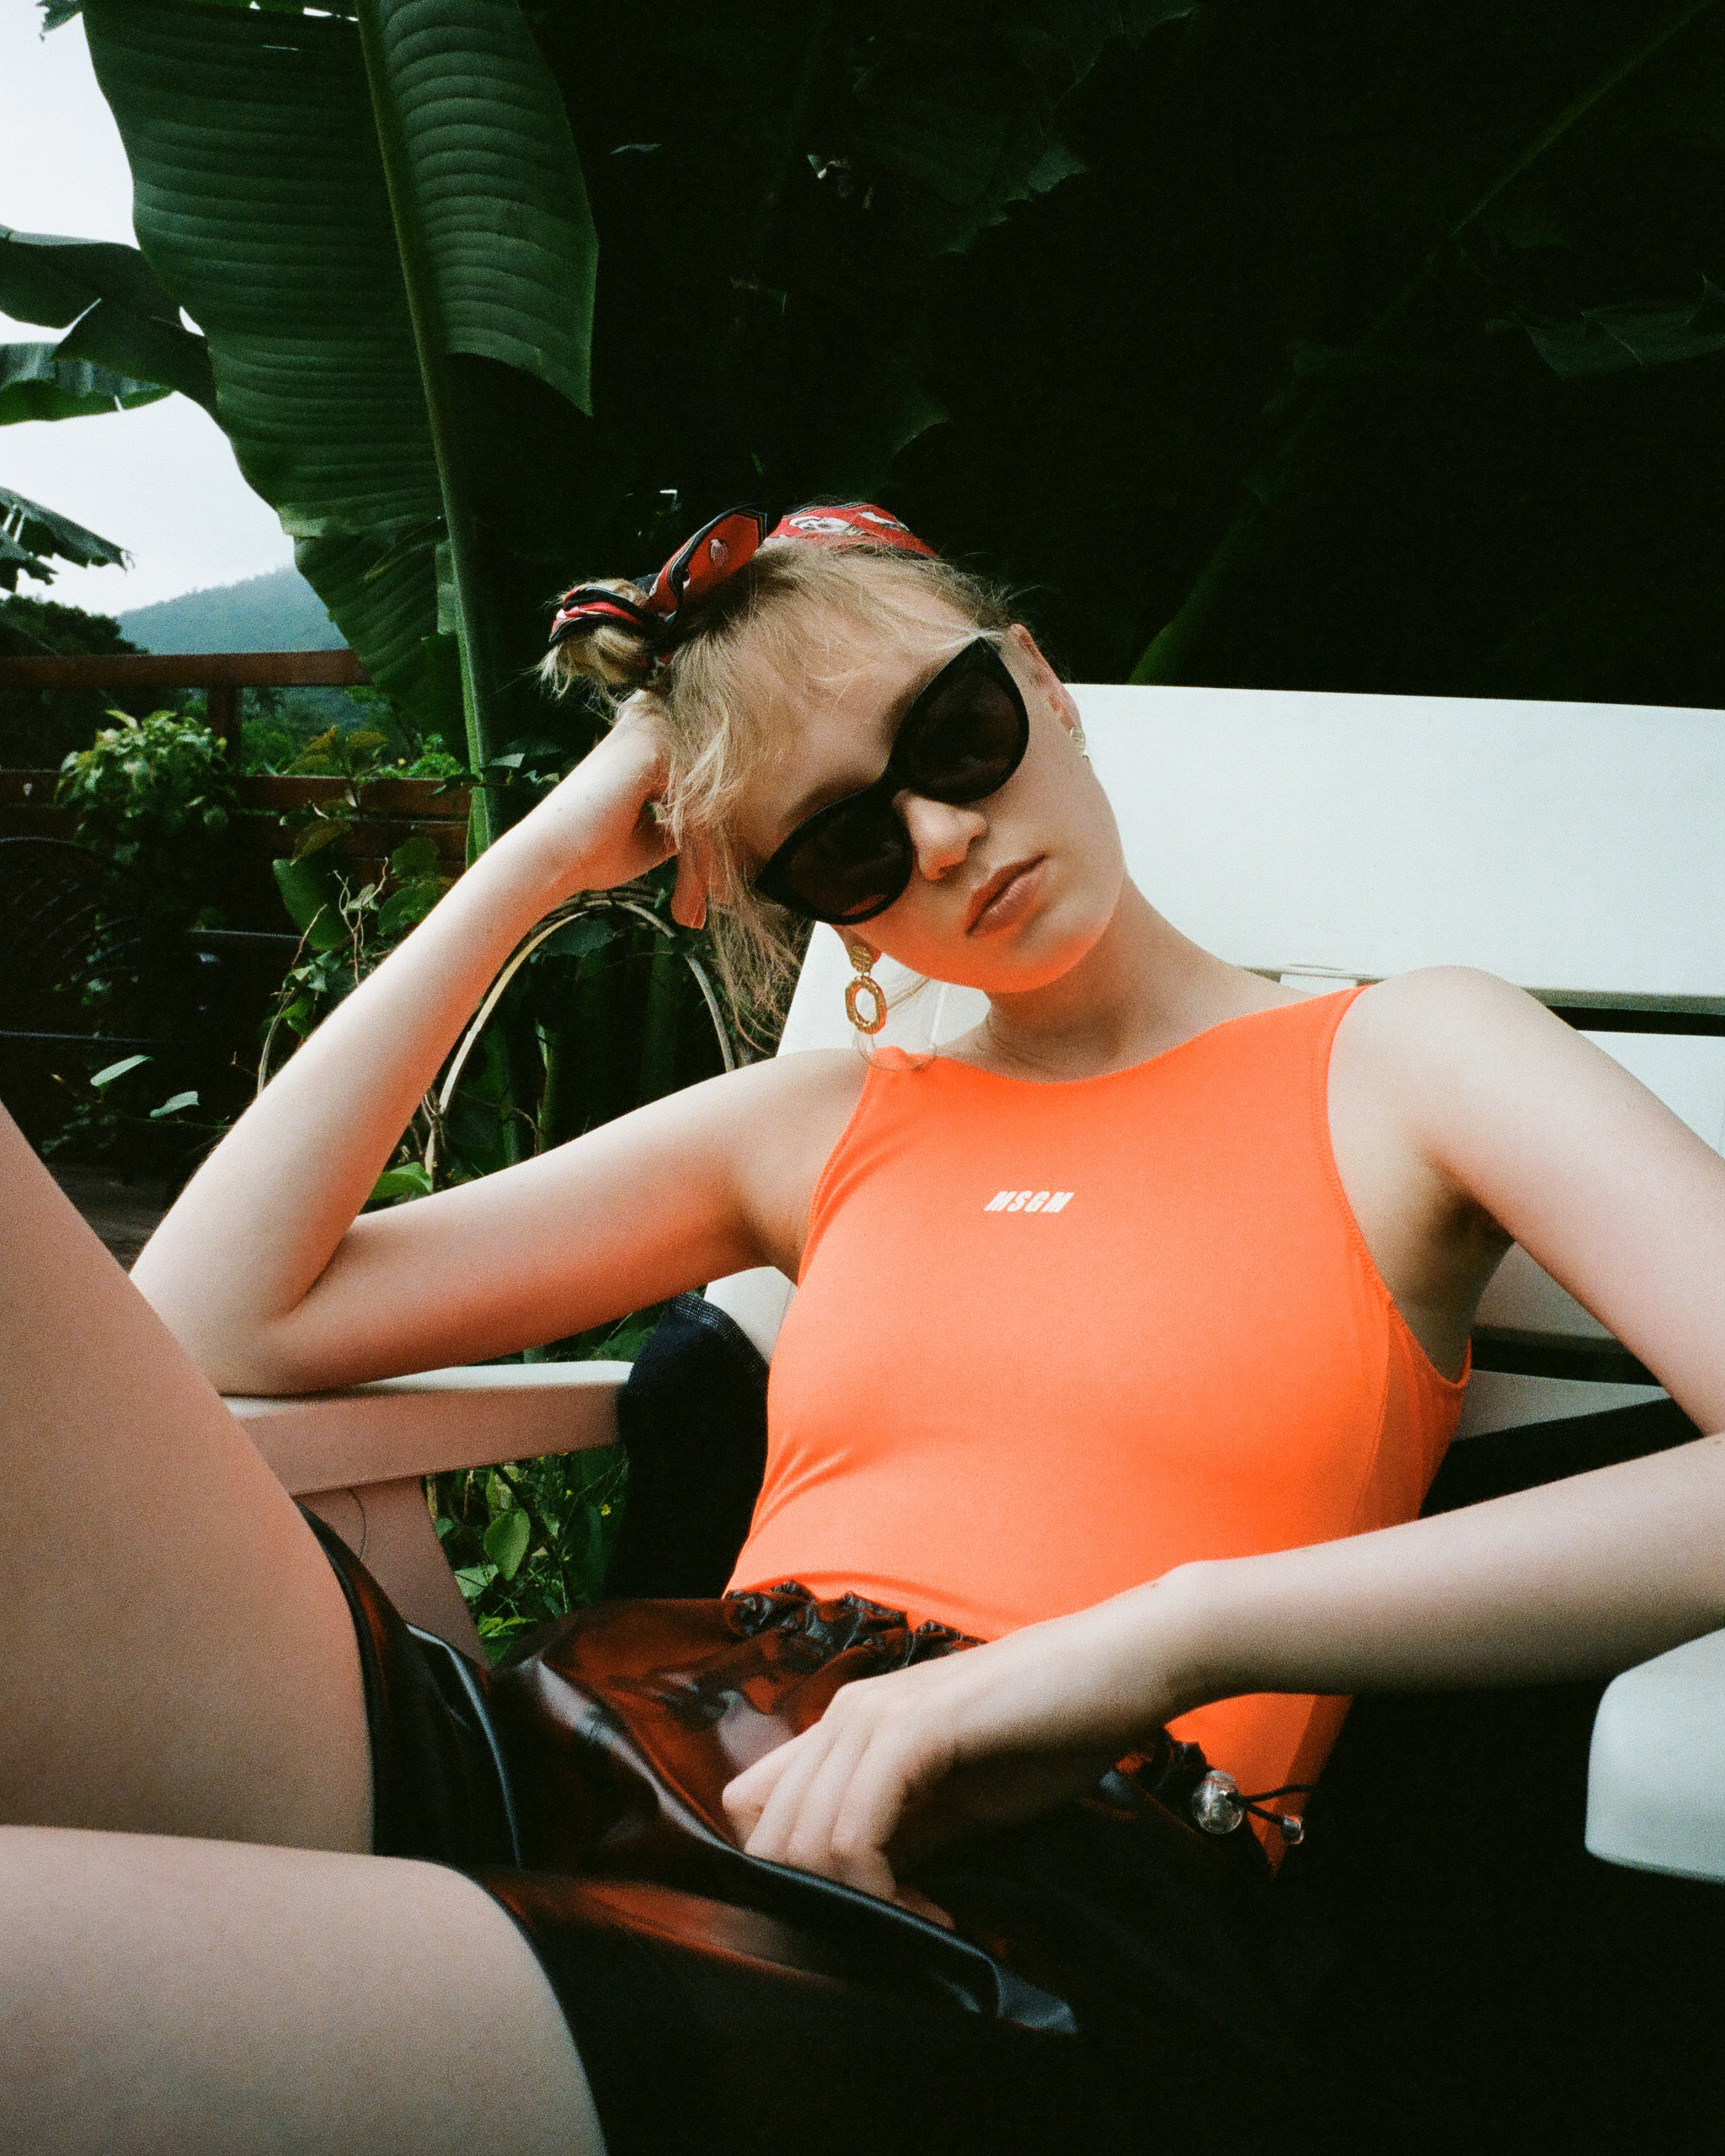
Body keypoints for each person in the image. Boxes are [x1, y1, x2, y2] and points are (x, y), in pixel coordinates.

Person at [4, 501, 1725, 2156]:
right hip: (594, 1743)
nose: (945, 838)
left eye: (957, 736)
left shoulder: (1407, 1059)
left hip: (988, 1899)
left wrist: (1158, 1640)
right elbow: (205, 1323)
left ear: (1040, 678)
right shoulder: (820, 1121)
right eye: (845, 845)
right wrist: (544, 857)